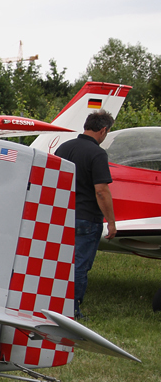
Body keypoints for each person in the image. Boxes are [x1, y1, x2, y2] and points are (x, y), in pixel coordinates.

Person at [55, 109, 116, 320]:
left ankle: (53, 303)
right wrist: (111, 222)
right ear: (103, 130)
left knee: (60, 262)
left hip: (62, 214)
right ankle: (72, 311)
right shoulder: (97, 153)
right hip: (86, 217)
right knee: (79, 265)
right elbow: (101, 190)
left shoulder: (64, 147)